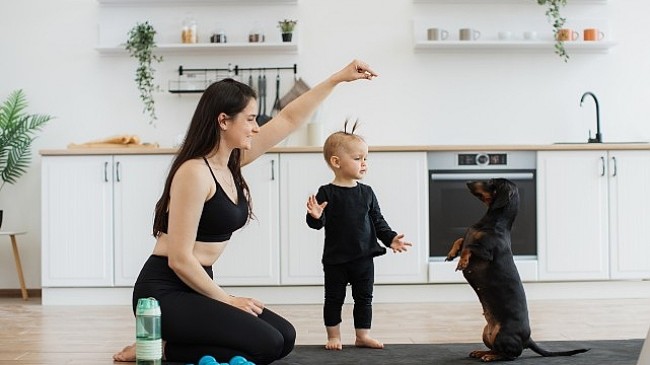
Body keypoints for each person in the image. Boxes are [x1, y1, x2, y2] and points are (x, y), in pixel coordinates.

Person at [112, 60, 378, 365]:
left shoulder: (231, 162)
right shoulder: (194, 172)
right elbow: (179, 259)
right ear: (224, 121)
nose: (256, 127)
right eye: (250, 119)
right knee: (266, 343)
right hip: (165, 292)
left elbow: (289, 118)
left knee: (285, 337)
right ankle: (162, 347)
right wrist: (227, 300)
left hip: (197, 286)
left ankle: (175, 342)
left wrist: (337, 79)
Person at [305, 120, 413, 351]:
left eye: (366, 159)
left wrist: (391, 238)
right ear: (336, 162)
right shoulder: (327, 192)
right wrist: (315, 216)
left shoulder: (367, 193)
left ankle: (362, 335)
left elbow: (378, 221)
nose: (364, 164)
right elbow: (318, 224)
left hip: (364, 257)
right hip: (336, 259)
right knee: (334, 298)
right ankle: (333, 335)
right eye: (358, 158)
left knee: (364, 298)